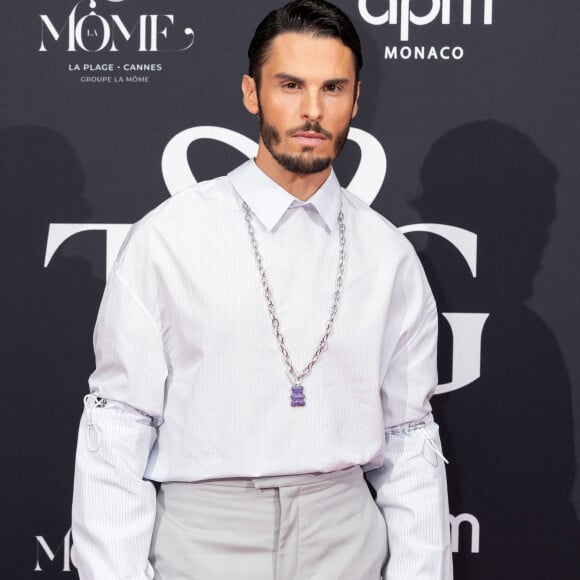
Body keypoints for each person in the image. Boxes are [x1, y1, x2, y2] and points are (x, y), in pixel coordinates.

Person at [71, 1, 452, 578]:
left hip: (347, 540)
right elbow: (117, 427)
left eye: (332, 88)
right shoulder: (168, 240)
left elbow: (409, 440)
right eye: (290, 85)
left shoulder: (390, 256)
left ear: (355, 99)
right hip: (202, 543)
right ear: (252, 94)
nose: (311, 110)